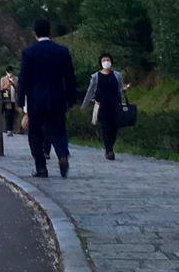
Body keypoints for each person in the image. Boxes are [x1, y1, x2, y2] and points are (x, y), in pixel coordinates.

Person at [16, 17, 77, 178]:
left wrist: (20, 100)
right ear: (49, 32)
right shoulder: (62, 51)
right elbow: (70, 77)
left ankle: (41, 167)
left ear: (35, 33)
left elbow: (23, 79)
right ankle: (62, 154)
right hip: (57, 97)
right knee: (58, 130)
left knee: (35, 134)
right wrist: (71, 98)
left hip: (36, 100)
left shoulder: (29, 53)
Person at [83, 53, 125, 160]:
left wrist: (123, 101)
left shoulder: (117, 75)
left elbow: (120, 90)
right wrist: (85, 104)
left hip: (115, 105)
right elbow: (90, 91)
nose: (106, 62)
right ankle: (109, 150)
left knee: (114, 129)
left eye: (108, 60)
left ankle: (110, 146)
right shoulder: (96, 76)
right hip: (102, 106)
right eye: (104, 60)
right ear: (101, 63)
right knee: (106, 128)